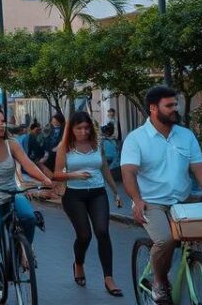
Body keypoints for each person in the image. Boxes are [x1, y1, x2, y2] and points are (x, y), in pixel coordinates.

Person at [121, 86, 202, 305]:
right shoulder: (136, 138)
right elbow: (128, 172)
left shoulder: (185, 135)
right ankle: (159, 281)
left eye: (175, 105)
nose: (174, 109)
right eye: (169, 106)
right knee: (165, 240)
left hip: (183, 201)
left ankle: (188, 271)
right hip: (151, 203)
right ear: (153, 108)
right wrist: (137, 200)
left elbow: (199, 167)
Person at [0, 108, 53, 289]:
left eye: (3, 121)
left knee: (29, 218)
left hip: (11, 192)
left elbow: (27, 164)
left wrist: (44, 178)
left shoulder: (12, 143)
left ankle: (24, 251)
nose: (1, 125)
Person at [53, 111, 124, 298]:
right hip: (74, 195)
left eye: (86, 128)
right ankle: (78, 263)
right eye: (79, 128)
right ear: (72, 129)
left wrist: (115, 191)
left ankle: (108, 278)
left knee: (102, 231)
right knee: (84, 235)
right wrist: (73, 175)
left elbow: (104, 168)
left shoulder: (96, 144)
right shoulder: (65, 147)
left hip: (98, 193)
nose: (83, 132)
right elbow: (57, 174)